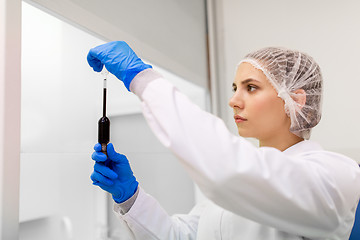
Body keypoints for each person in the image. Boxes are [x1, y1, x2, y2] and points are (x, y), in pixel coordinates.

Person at [88, 41, 360, 239]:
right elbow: (181, 236)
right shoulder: (226, 198)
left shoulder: (336, 175)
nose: (233, 101)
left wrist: (142, 80)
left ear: (296, 100)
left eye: (251, 87)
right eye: (234, 88)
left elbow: (230, 171)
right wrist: (130, 197)